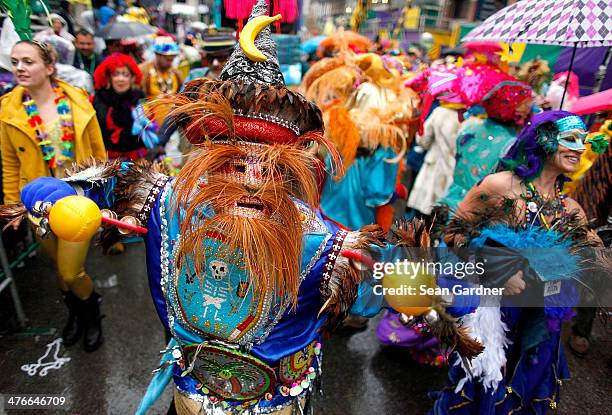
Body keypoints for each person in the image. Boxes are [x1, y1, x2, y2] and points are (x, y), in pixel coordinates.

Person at [431, 111, 604, 414]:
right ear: (545, 140)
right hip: (495, 312)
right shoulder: (500, 186)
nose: (580, 149)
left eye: (584, 141)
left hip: (541, 316)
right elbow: (453, 233)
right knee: (483, 383)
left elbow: (596, 258)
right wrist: (497, 269)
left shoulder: (571, 209)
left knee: (525, 384)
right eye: (571, 139)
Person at [0, 40, 106, 352]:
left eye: (28, 62)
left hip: (78, 198)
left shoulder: (78, 102)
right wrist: (11, 205)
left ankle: (92, 314)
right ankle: (77, 314)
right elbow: (9, 162)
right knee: (60, 274)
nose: (19, 67)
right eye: (15, 61)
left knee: (70, 270)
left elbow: (99, 153)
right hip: (37, 202)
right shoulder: (8, 110)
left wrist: (108, 196)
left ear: (49, 67)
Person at [92, 52, 147, 161]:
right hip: (106, 159)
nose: (120, 79)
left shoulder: (139, 97)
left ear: (132, 77)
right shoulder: (99, 98)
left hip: (136, 160)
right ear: (109, 77)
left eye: (125, 74)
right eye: (115, 74)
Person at [139, 36, 183, 128]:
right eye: (167, 59)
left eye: (172, 59)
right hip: (150, 124)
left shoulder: (176, 73)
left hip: (171, 126)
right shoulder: (142, 70)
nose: (170, 62)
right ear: (157, 54)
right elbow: (137, 98)